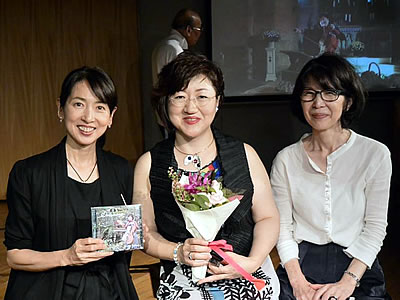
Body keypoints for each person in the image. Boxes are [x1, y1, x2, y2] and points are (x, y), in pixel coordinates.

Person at [134, 51, 280, 299]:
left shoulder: (244, 155)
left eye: (202, 96)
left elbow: (268, 217)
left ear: (218, 101)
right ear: (166, 102)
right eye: (179, 96)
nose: (191, 107)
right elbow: (145, 234)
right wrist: (177, 251)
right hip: (183, 281)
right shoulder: (149, 164)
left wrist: (253, 261)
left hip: (246, 271)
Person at [4, 66, 139, 299]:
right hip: (49, 291)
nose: (88, 117)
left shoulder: (121, 170)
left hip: (109, 291)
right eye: (78, 104)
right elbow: (15, 255)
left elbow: (121, 253)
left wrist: (133, 232)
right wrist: (67, 257)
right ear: (60, 108)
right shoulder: (28, 172)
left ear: (111, 117)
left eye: (100, 107)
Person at [270, 53, 392, 300]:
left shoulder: (375, 154)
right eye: (309, 93)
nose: (318, 103)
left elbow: (375, 228)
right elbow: (282, 229)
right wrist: (298, 282)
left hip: (356, 261)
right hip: (300, 262)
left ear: (347, 101)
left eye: (330, 93)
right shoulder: (285, 159)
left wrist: (348, 282)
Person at [151, 8, 203, 86]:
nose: (200, 34)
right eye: (199, 29)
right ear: (189, 30)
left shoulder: (162, 44)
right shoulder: (175, 49)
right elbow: (179, 84)